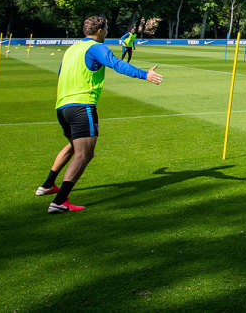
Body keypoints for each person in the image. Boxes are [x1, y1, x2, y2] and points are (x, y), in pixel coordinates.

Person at [36, 15, 164, 214]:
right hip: (82, 106)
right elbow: (116, 64)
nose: (106, 32)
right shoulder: (96, 47)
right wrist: (144, 74)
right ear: (99, 30)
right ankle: (60, 201)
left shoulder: (71, 49)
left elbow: (62, 74)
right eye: (106, 28)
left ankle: (47, 185)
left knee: (73, 146)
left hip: (62, 106)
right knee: (85, 154)